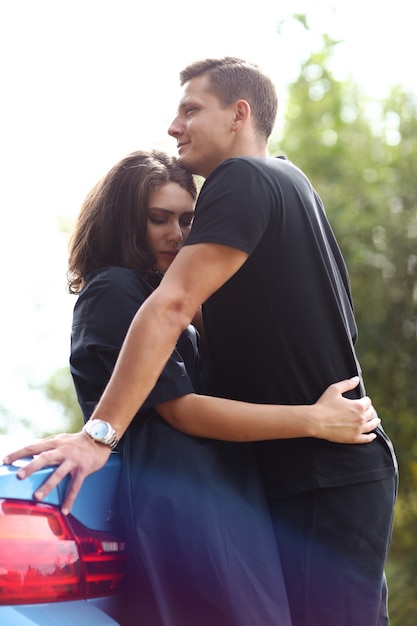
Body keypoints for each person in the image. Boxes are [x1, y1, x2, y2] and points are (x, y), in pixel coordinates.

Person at [2, 57, 395, 626]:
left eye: (190, 109)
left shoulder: (242, 178)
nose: (174, 125)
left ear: (239, 115)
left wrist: (97, 436)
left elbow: (172, 307)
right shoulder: (291, 181)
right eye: (160, 220)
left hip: (320, 471)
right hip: (311, 474)